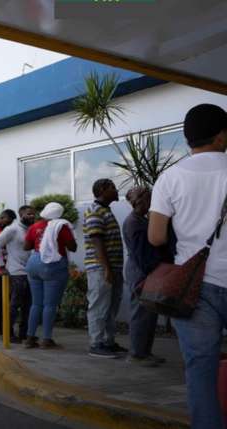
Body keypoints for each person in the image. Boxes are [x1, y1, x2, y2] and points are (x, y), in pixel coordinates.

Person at [148, 104, 227, 429]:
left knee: (200, 369)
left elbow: (156, 236)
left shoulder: (170, 178)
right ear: (221, 136)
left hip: (193, 286)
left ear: (188, 138)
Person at [123, 186, 171, 367]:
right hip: (141, 271)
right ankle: (137, 354)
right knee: (141, 313)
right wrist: (155, 270)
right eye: (150, 198)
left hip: (143, 270)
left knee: (148, 314)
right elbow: (142, 253)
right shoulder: (134, 222)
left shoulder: (140, 220)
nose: (152, 202)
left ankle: (144, 352)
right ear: (140, 201)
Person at [23, 202, 77, 349]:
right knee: (50, 305)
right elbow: (73, 247)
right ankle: (46, 339)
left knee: (36, 303)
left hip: (34, 263)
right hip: (53, 265)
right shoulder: (61, 226)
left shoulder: (34, 226)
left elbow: (26, 246)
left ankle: (30, 338)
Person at [83, 178, 126, 358]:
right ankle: (96, 344)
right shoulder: (94, 211)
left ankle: (108, 342)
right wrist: (106, 268)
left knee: (111, 307)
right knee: (99, 306)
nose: (117, 191)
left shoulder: (105, 210)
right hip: (100, 268)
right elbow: (96, 241)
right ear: (102, 189)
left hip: (112, 267)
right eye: (113, 188)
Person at [0, 206, 36, 343]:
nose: (32, 216)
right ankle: (8, 333)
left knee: (28, 305)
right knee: (14, 305)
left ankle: (24, 334)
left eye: (33, 214)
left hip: (30, 272)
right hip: (16, 272)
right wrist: (1, 266)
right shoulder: (12, 229)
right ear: (21, 214)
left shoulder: (30, 229)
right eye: (29, 214)